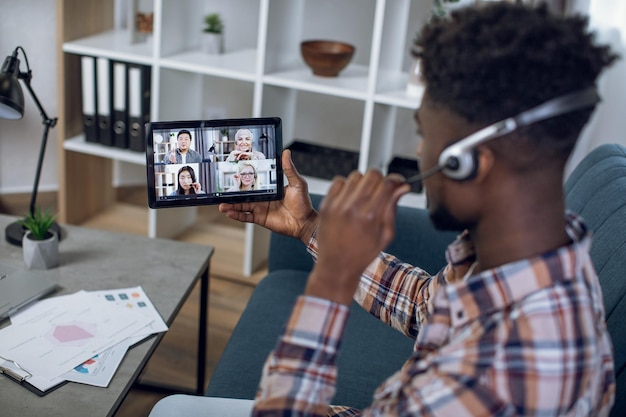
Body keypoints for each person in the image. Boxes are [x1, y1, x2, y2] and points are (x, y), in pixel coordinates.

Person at [151, 3, 617, 416]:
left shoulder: (500, 378)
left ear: (469, 162)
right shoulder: (524, 253)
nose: (418, 150)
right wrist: (313, 228)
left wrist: (332, 279)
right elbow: (423, 308)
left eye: (424, 132)